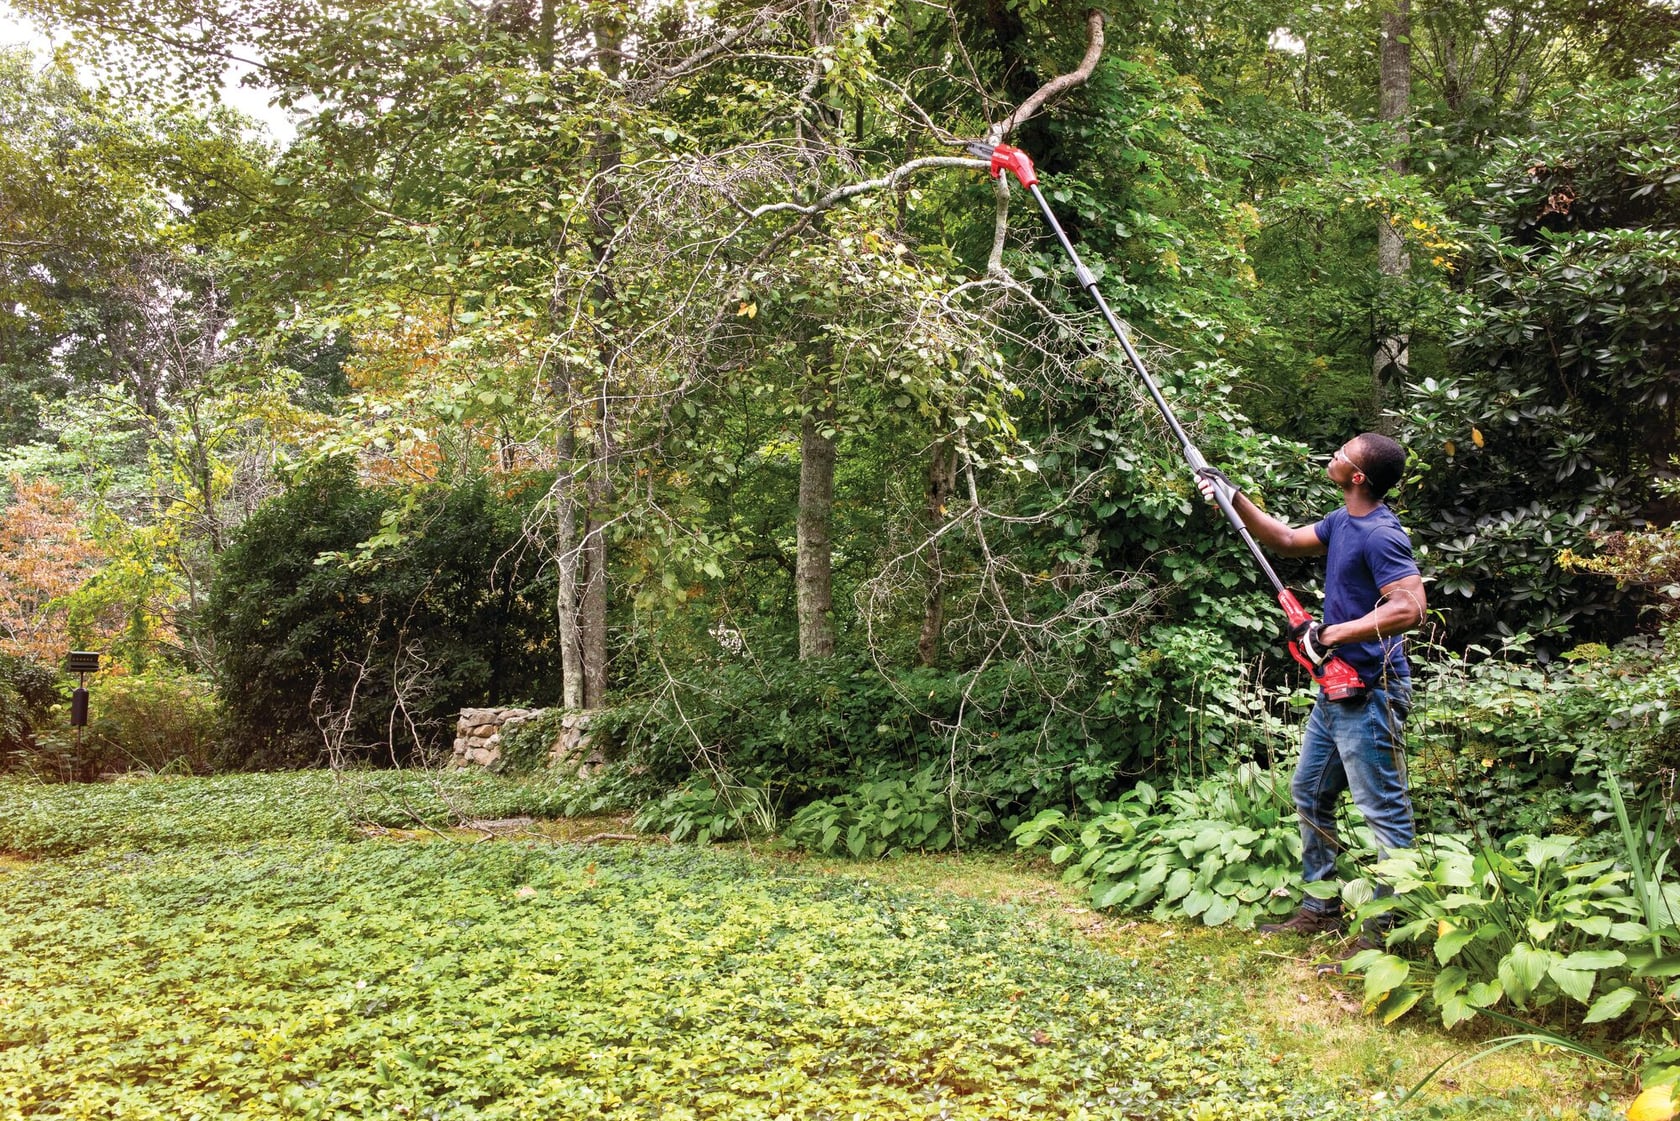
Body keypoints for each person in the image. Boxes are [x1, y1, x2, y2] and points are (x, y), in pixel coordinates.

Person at [1195, 433, 1426, 941]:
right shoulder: (1344, 521)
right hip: (1337, 688)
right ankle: (1319, 906)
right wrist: (1232, 495)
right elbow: (1286, 540)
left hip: (1372, 690)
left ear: (1358, 476)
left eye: (1342, 455)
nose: (1333, 457)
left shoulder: (1381, 535)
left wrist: (1330, 633)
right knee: (1310, 793)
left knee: (1383, 812)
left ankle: (1389, 932)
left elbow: (1409, 608)